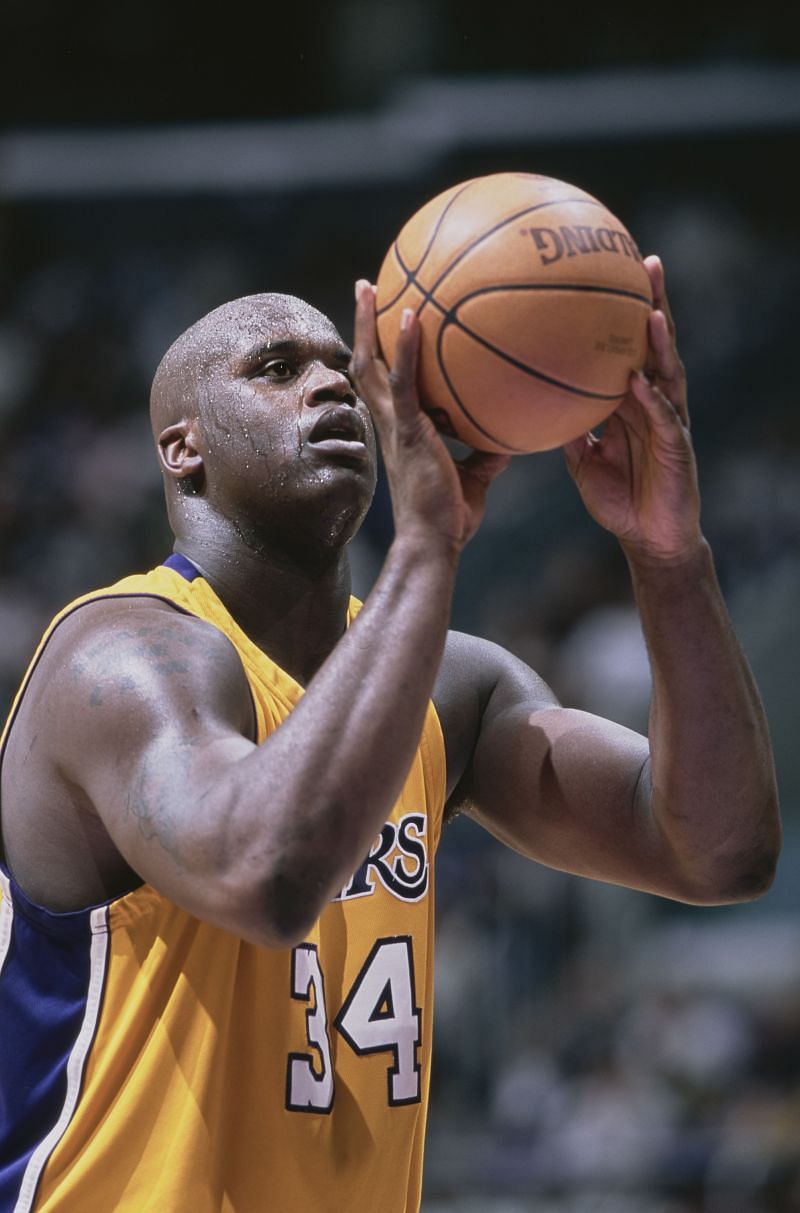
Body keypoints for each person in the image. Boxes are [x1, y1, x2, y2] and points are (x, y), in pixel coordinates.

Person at [0, 257, 780, 1213]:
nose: (333, 383)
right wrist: (427, 547)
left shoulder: (452, 687)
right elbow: (264, 874)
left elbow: (719, 851)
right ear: (183, 448)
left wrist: (669, 555)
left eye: (342, 364)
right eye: (278, 368)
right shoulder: (122, 656)